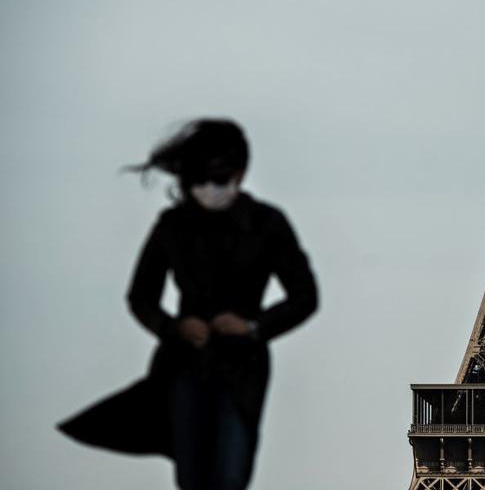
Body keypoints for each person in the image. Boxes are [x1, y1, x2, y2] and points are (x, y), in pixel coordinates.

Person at [58, 119, 318, 490]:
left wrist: (253, 326)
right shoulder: (173, 225)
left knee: (229, 476)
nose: (209, 189)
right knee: (193, 478)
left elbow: (305, 296)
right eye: (200, 180)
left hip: (242, 371)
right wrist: (174, 327)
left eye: (219, 178)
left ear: (240, 174)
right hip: (184, 366)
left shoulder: (267, 224)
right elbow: (141, 296)